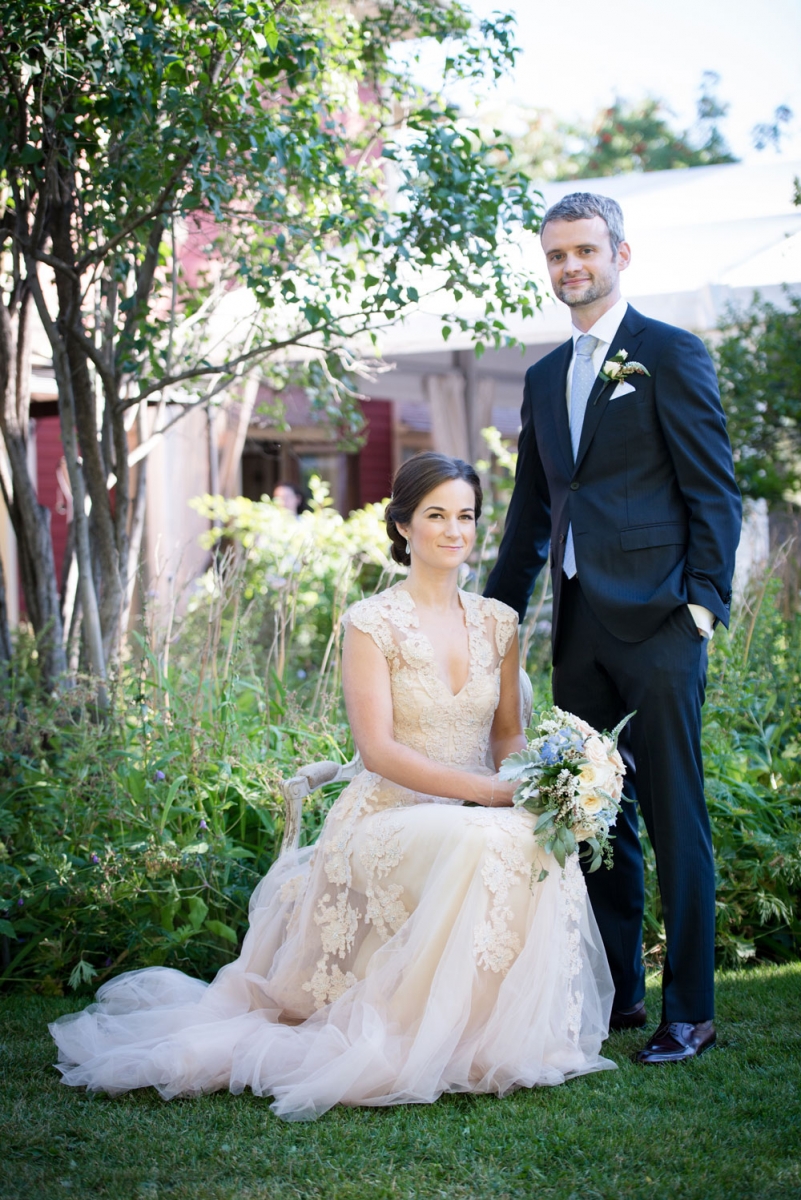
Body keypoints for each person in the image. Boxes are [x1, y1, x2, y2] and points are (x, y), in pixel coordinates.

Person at [50, 452, 614, 1120]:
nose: (453, 530)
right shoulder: (370, 623)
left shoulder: (498, 621)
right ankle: (415, 1038)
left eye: (464, 515)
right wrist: (487, 793)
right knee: (483, 834)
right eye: (435, 515)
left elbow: (506, 738)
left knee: (529, 834)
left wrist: (536, 785)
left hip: (469, 809)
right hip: (384, 815)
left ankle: (492, 1037)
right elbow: (377, 750)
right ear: (402, 525)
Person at [485, 193, 742, 1065]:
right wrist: (495, 618)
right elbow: (531, 513)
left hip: (664, 620)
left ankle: (691, 1013)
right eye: (556, 255)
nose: (570, 268)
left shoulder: (669, 354)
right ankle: (619, 994)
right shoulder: (539, 376)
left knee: (674, 814)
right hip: (579, 628)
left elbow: (712, 488)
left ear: (620, 254)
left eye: (584, 251)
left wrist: (703, 603)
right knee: (597, 817)